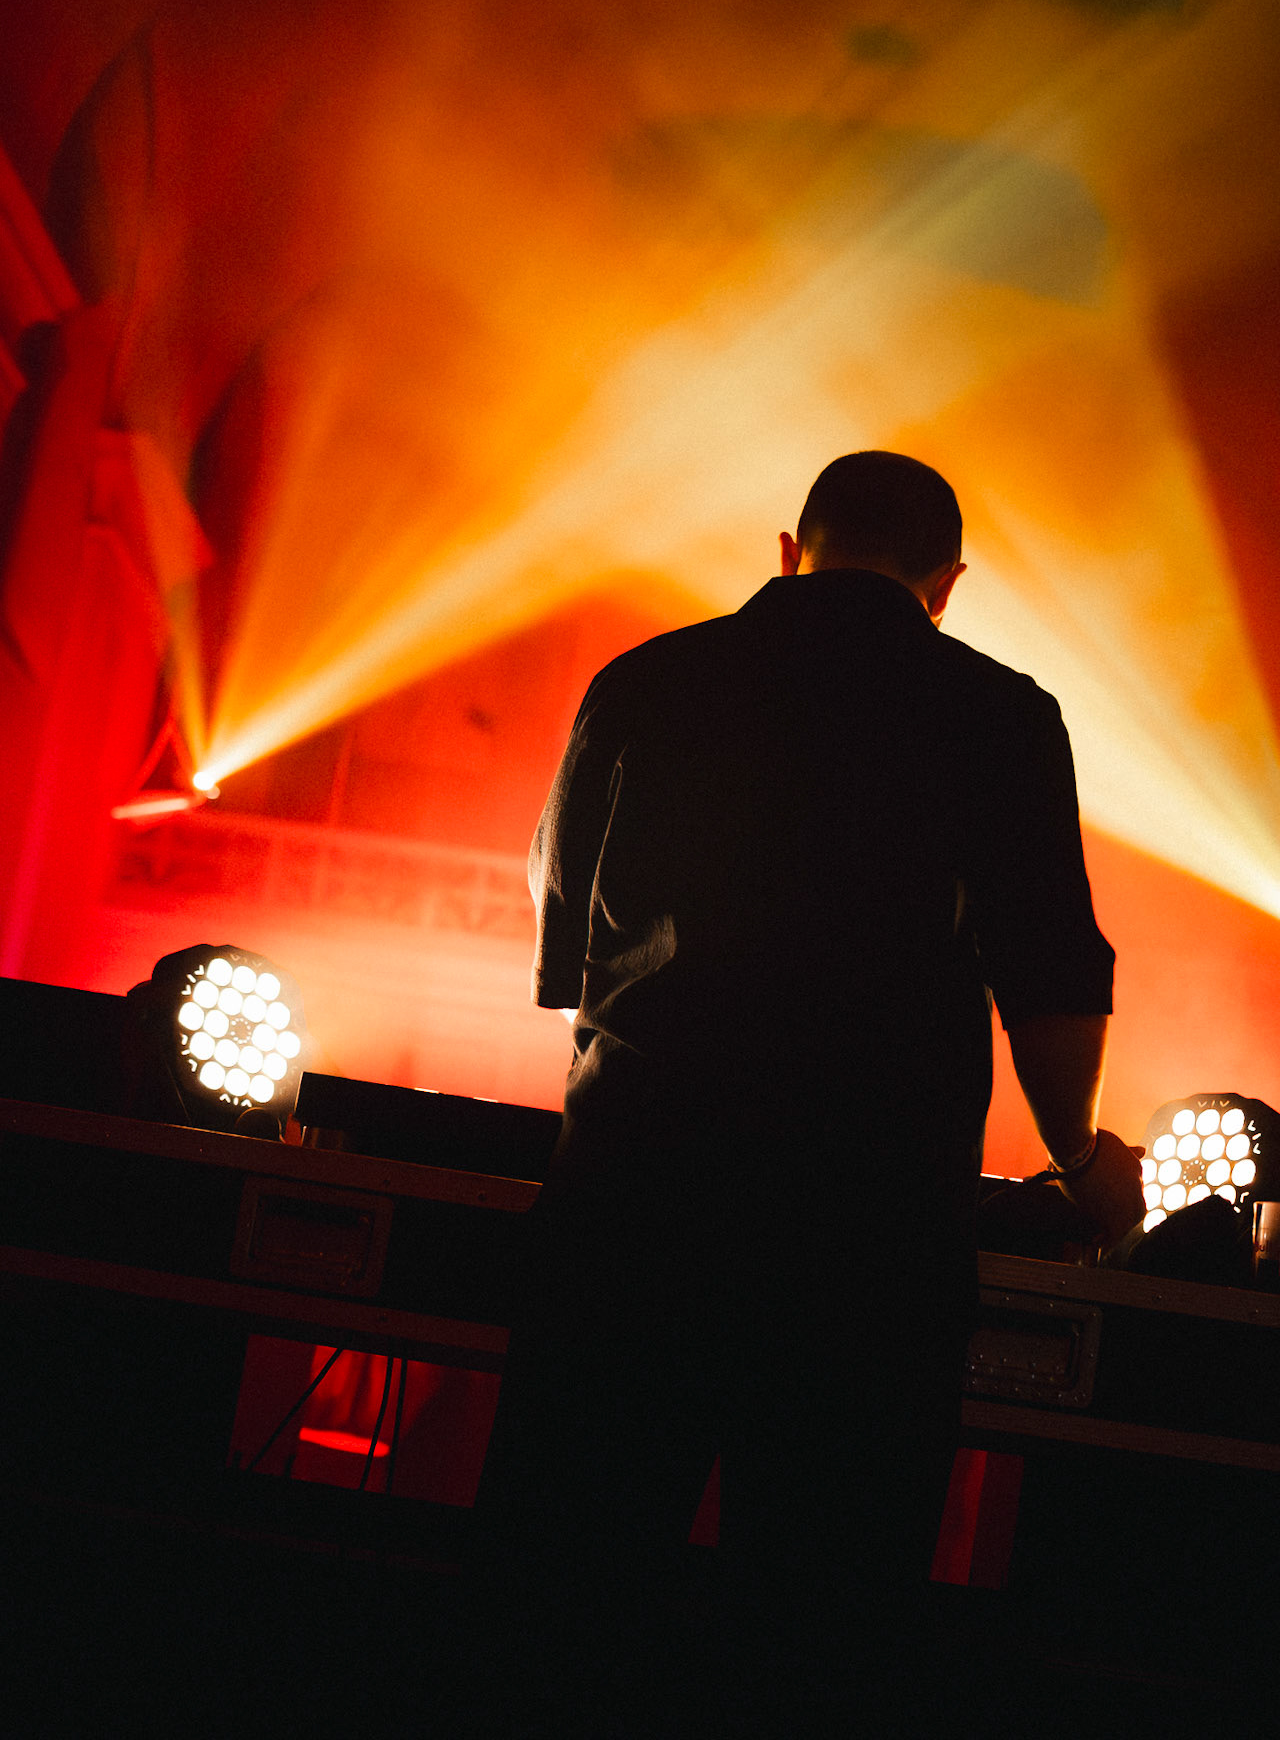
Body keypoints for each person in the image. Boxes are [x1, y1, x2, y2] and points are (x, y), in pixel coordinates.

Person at [472, 451, 1144, 1735]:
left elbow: (565, 958)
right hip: (868, 1240)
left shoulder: (644, 681)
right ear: (946, 584)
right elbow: (1051, 969)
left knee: (563, 1594)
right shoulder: (1001, 715)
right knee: (821, 1626)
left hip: (634, 1206)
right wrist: (1081, 1155)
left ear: (791, 549)